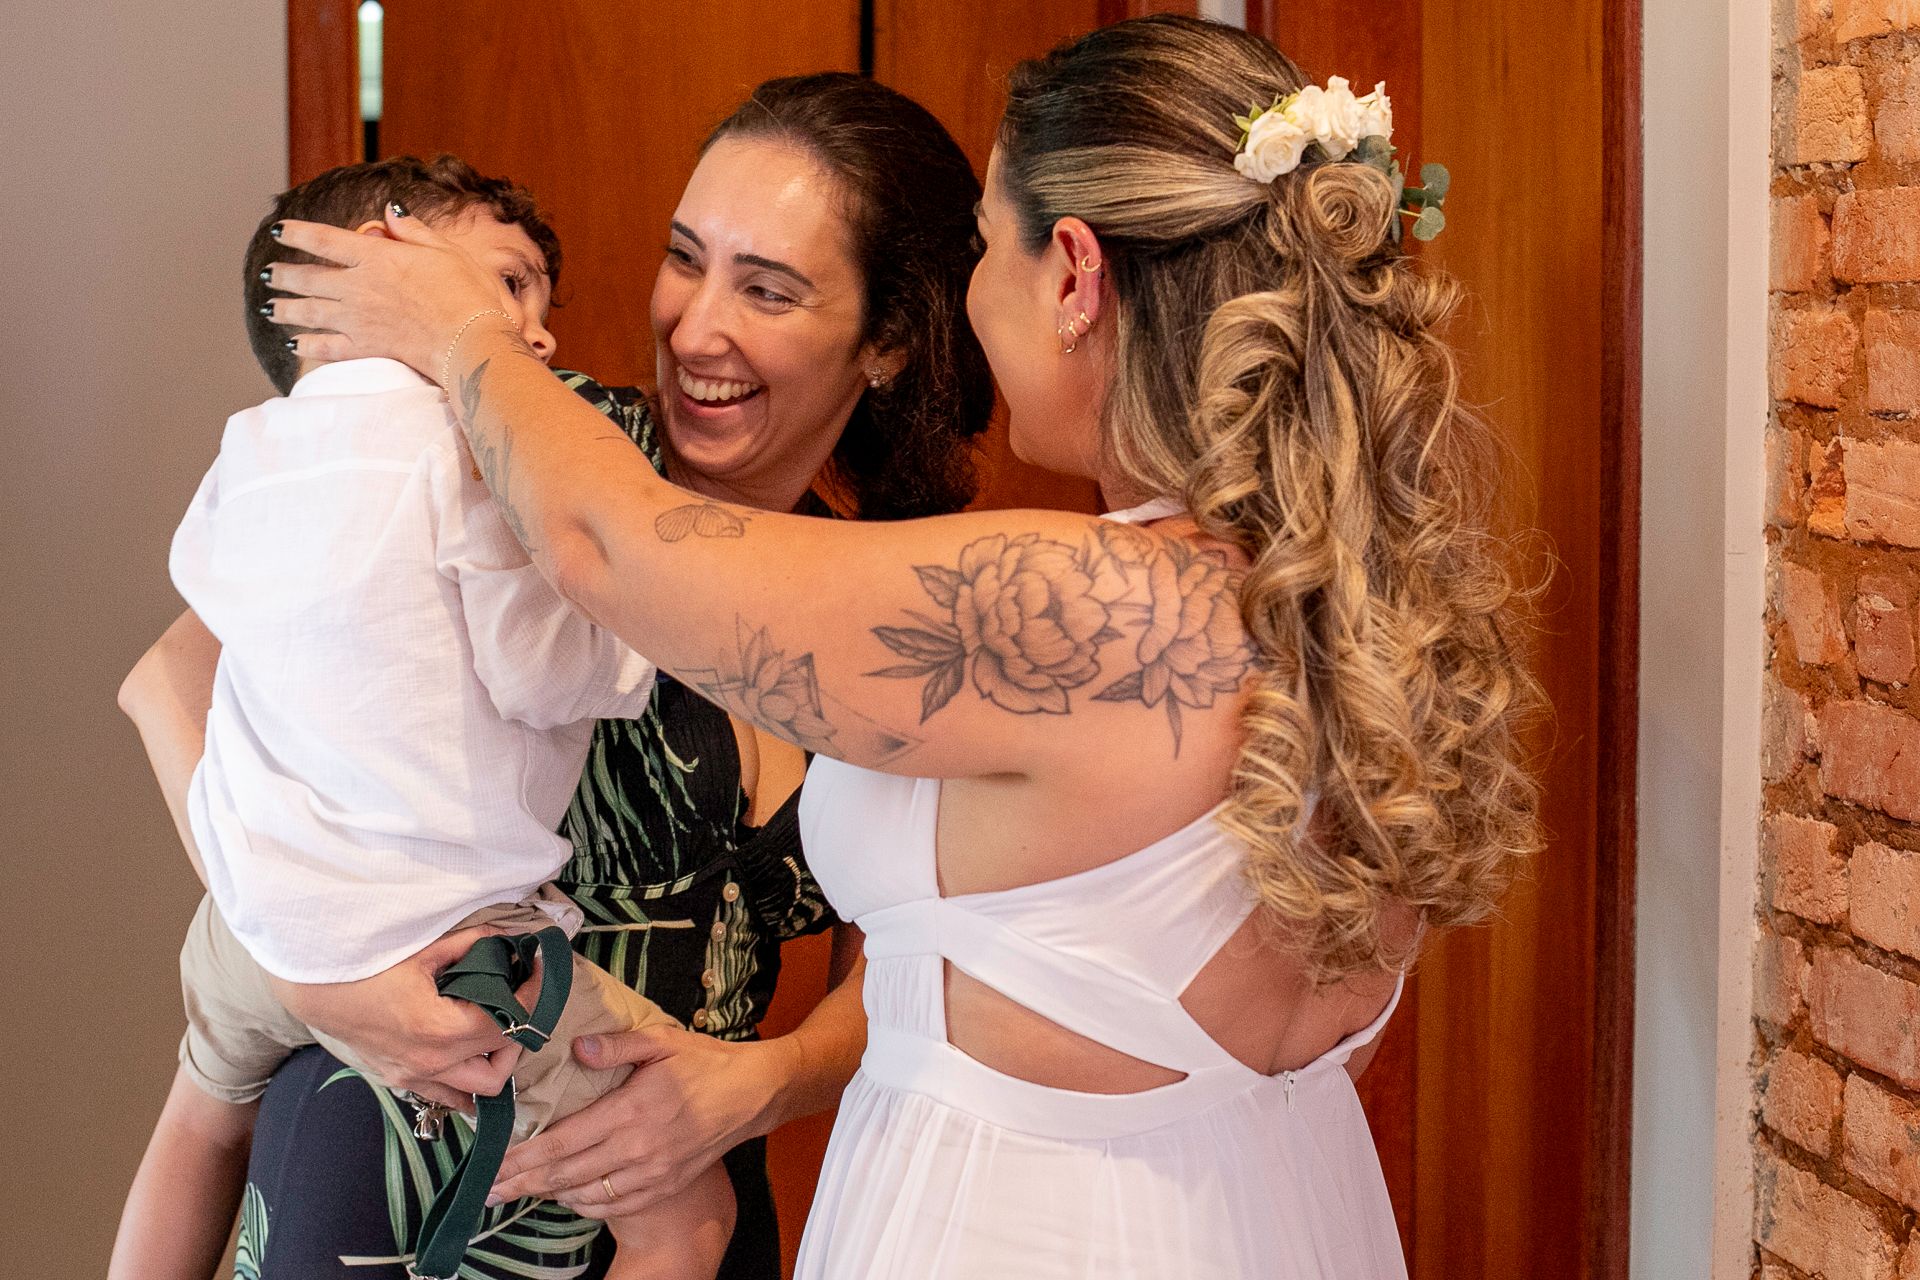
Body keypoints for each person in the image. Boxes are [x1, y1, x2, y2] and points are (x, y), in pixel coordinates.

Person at [266, 15, 1546, 1276]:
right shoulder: (1351, 615)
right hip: (1274, 1212)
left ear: (1075, 275)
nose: (976, 294)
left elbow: (616, 550)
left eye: (989, 248)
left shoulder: (1087, 604)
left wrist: (461, 329)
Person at [117, 73, 994, 1277]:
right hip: (412, 1160)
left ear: (886, 339)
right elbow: (175, 675)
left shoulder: (901, 600)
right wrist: (309, 967)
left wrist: (764, 1081)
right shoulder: (534, 439)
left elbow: (921, 953)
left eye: (767, 287)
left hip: (686, 1199)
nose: (695, 328)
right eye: (686, 260)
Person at [111, 153, 747, 1280]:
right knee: (690, 1209)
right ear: (385, 263)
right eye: (508, 286)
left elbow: (194, 628)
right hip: (450, 943)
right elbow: (553, 678)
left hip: (246, 935)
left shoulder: (245, 452)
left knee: (200, 1119)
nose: (537, 339)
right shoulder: (474, 451)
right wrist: (628, 639)